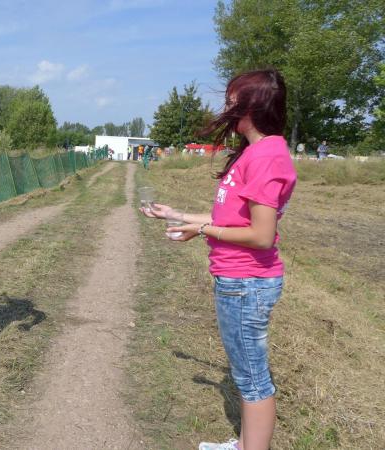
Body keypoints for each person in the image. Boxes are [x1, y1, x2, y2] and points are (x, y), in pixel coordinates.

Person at [141, 69, 296, 450]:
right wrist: (177, 215)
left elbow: (260, 235)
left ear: (253, 105)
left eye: (232, 100)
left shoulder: (267, 156)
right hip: (239, 281)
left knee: (252, 380)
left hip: (246, 283)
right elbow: (232, 220)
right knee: (247, 374)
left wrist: (202, 230)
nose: (225, 107)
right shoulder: (256, 152)